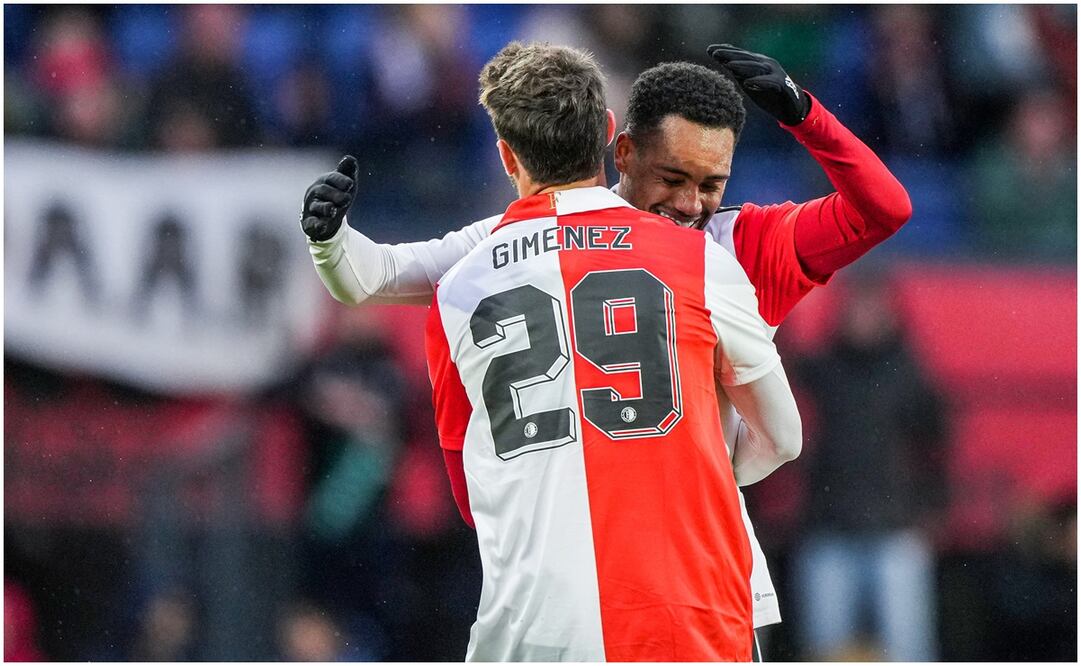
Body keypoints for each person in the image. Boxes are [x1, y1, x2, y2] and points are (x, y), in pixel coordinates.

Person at [299, 43, 911, 650]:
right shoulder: (703, 256)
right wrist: (329, 238)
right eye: (672, 178)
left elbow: (884, 208)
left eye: (711, 185)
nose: (690, 205)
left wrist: (805, 113)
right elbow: (372, 275)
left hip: (663, 567)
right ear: (620, 148)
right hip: (666, 587)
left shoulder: (731, 239)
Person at [421, 41, 799, 661]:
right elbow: (783, 438)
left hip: (533, 629)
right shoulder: (701, 259)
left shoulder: (458, 287)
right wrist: (692, 470)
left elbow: (470, 494)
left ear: (506, 154)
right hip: (687, 614)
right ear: (606, 133)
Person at [790, 273, 948, 661]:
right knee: (825, 652)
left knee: (907, 652)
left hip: (895, 530)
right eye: (856, 306)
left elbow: (937, 447)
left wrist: (932, 506)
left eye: (871, 305)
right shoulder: (825, 367)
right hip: (829, 526)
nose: (862, 315)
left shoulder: (909, 372)